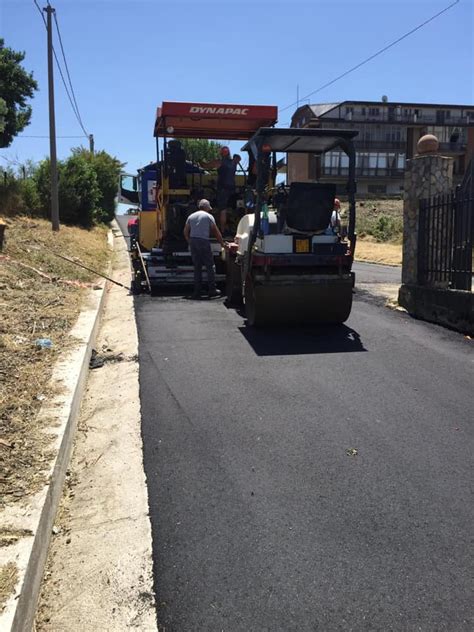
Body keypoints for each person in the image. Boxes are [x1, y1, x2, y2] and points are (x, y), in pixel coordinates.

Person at [183, 199, 228, 299]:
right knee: (210, 266)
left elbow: (185, 231)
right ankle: (212, 290)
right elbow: (216, 232)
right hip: (203, 241)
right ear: (206, 207)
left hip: (193, 241)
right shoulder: (209, 216)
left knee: (197, 267)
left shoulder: (191, 216)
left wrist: (189, 242)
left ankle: (197, 291)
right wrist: (222, 244)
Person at [202, 147, 240, 233]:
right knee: (228, 209)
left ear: (221, 153)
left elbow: (205, 166)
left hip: (223, 189)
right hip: (232, 189)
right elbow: (238, 158)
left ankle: (222, 231)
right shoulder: (234, 161)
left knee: (222, 210)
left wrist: (200, 162)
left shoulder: (219, 162)